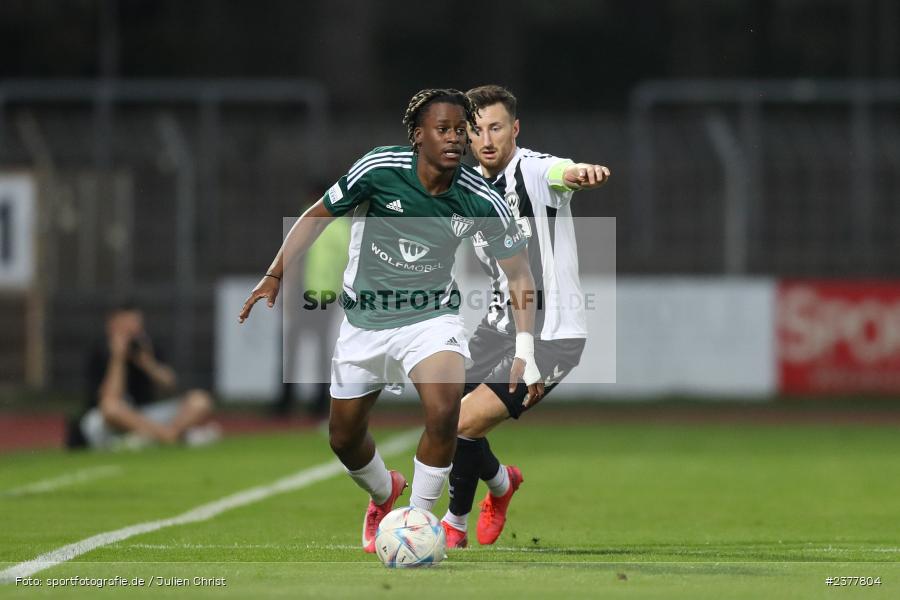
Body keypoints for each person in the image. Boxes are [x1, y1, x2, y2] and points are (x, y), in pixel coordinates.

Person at [238, 88, 545, 553]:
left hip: (432, 317)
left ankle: (418, 525)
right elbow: (318, 215)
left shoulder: (480, 197)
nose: (456, 139)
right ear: (417, 137)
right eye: (444, 129)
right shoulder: (380, 170)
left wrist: (525, 349)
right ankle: (385, 494)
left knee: (444, 413)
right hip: (365, 323)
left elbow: (519, 271)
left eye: (461, 130)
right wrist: (275, 273)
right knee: (344, 438)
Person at [440, 85, 610, 548]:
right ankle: (500, 483)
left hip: (553, 334)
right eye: (477, 130)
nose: (487, 138)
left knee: (462, 424)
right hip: (498, 325)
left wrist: (582, 173)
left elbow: (563, 172)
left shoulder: (534, 172)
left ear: (515, 129)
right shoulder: (467, 188)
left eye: (496, 127)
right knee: (445, 416)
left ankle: (452, 525)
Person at [71, 302, 217, 450]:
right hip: (107, 421)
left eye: (136, 324)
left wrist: (147, 363)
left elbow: (170, 384)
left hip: (144, 415)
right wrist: (118, 358)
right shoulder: (99, 351)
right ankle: (172, 437)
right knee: (111, 407)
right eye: (126, 326)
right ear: (112, 325)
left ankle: (157, 436)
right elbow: (109, 400)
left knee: (199, 400)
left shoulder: (146, 347)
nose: (133, 330)